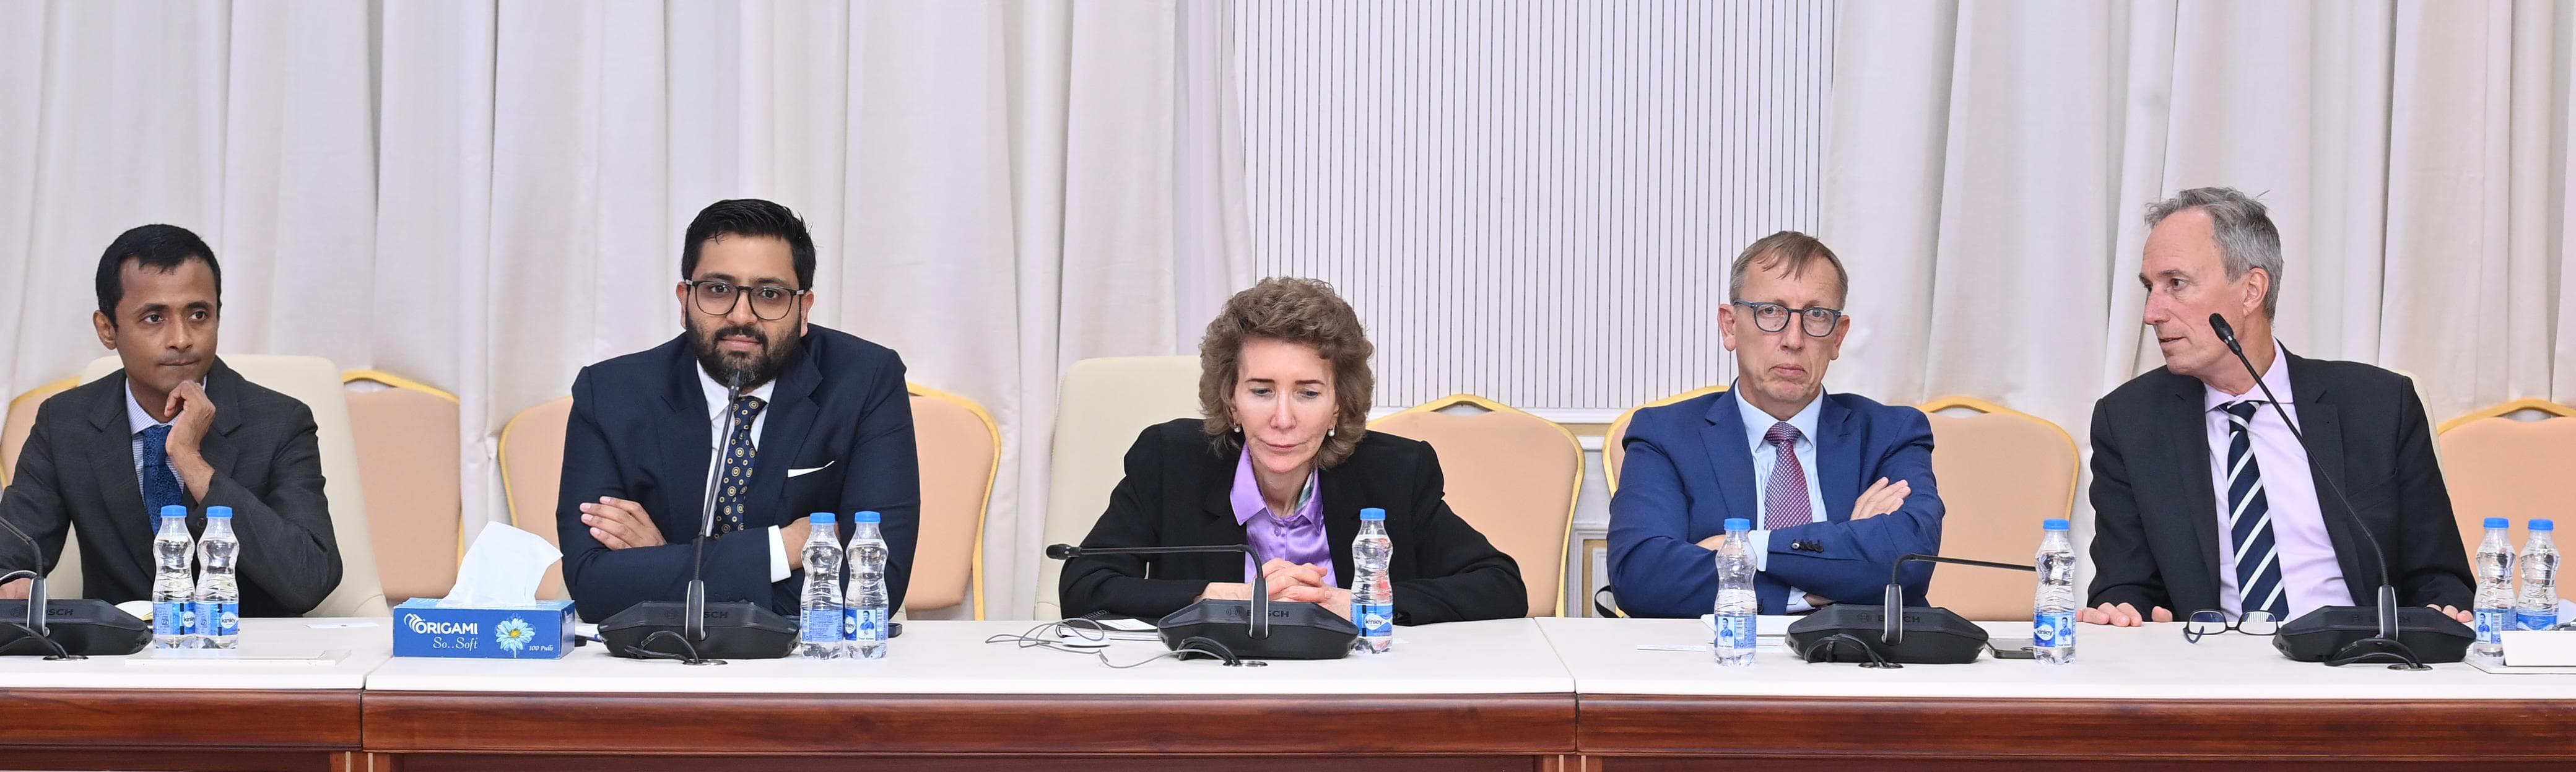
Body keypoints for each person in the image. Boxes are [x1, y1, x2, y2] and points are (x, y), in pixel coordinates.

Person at [2082, 187, 2472, 627]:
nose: (2152, 312)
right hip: (2214, 660)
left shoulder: (2379, 405)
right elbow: (2124, 585)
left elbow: (2441, 578)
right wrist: (2122, 611)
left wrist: (2442, 610)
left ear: (2251, 291)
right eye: (2149, 288)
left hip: (2357, 655)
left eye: (2176, 284)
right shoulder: (2130, 421)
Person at [1060, 277, 1526, 623]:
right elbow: (1084, 586)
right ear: (1231, 400)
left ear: (1339, 404)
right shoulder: (1171, 461)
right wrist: (1219, 596)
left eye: (1308, 393)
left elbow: (1500, 586)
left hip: (1354, 699)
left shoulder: (1395, 473)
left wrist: (1355, 603)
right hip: (1212, 696)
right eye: (1262, 391)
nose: (1283, 419)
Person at [557, 199, 920, 623]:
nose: (742, 316)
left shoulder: (865, 381)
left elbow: (873, 584)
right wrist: (781, 549)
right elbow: (594, 586)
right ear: (684, 301)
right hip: (656, 654)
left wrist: (664, 564)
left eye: (770, 294)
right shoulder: (610, 395)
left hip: (815, 654)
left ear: (803, 310)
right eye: (718, 289)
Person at [0, 224, 342, 615]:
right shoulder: (65, 422)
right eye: (154, 318)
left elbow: (310, 579)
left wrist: (191, 461)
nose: (181, 339)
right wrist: (12, 583)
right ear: (108, 329)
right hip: (120, 648)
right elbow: (13, 555)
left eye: (198, 314)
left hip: (244, 645)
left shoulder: (280, 422)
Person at [1607, 232, 1943, 618]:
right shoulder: (1666, 434)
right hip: (1720, 653)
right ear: (1730, 326)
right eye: (1770, 312)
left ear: (1838, 337)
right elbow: (1643, 576)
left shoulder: (1891, 433)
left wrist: (1745, 548)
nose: (1794, 339)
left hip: (1860, 654)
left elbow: (1907, 561)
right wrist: (1834, 568)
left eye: (1817, 315)